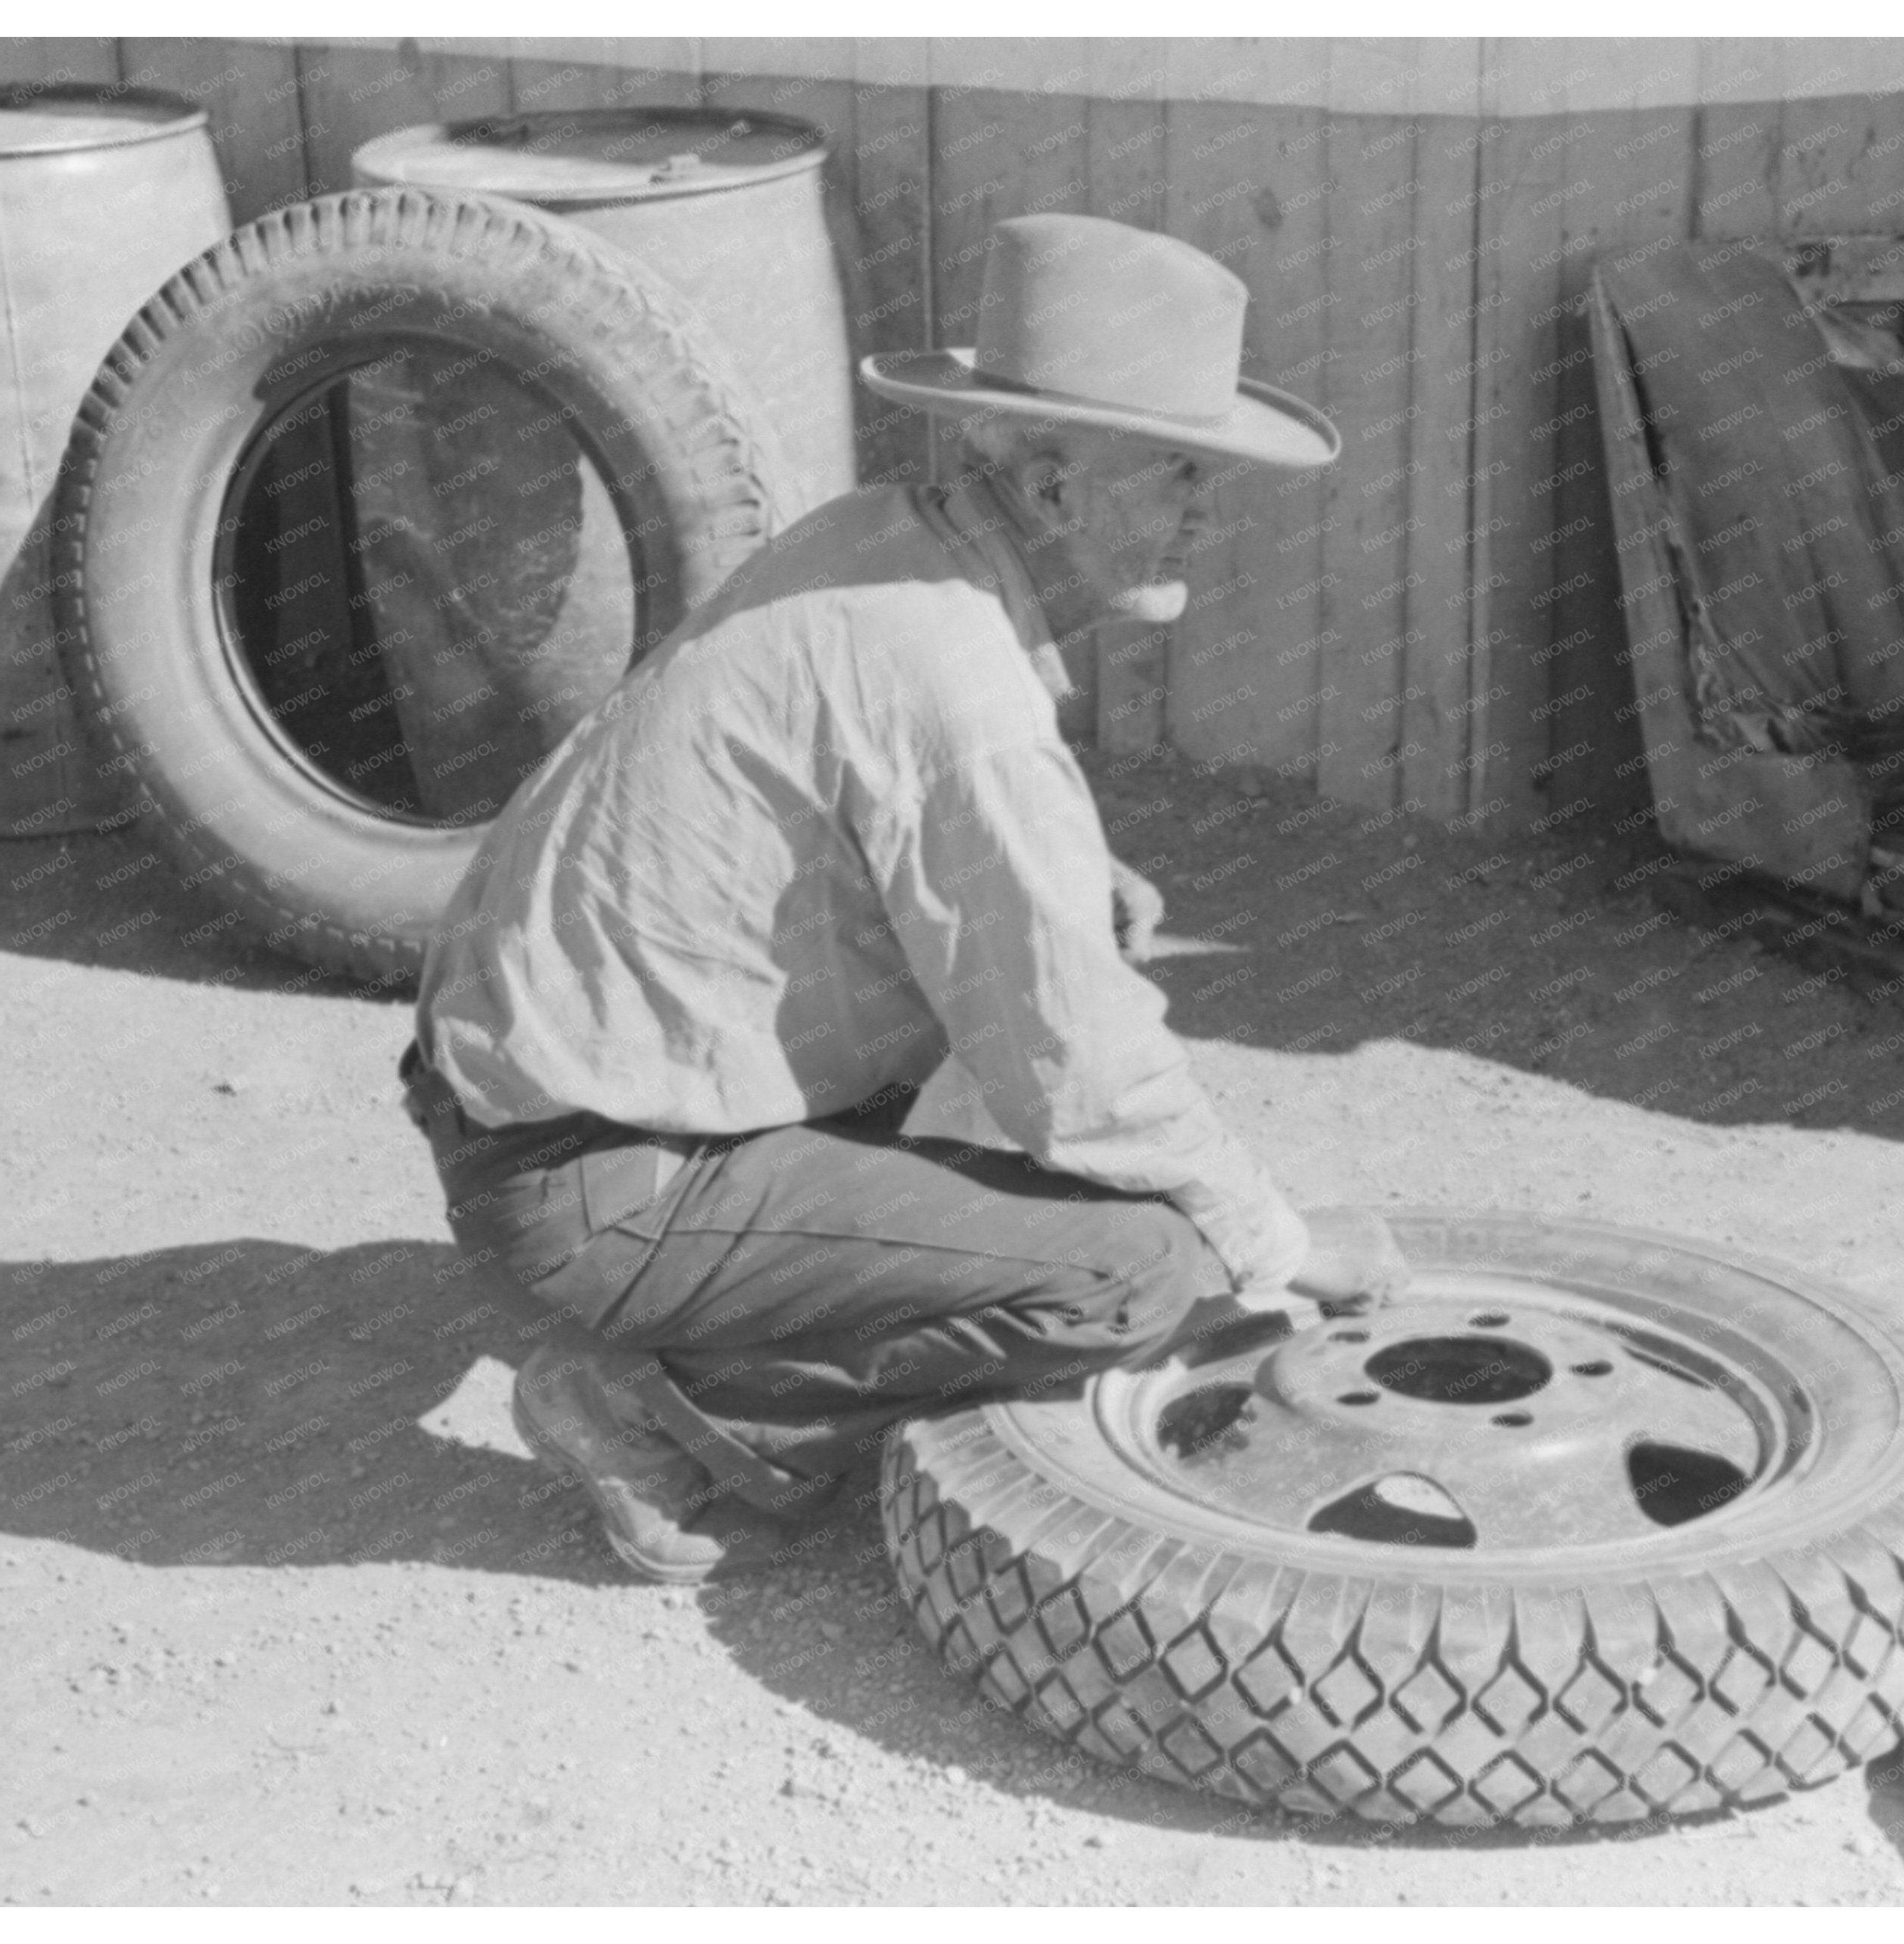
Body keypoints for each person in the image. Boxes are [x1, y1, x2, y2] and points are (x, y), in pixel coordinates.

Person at [401, 213, 1409, 1584]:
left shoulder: (881, 547)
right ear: (1050, 485)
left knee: (1064, 974)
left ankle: (761, 1308)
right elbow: (1085, 1074)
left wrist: (1063, 893)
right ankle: (669, 1415)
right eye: (1178, 468)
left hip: (540, 1106)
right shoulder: (957, 683)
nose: (1203, 506)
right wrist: (1279, 1243)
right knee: (1139, 1271)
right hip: (592, 1179)